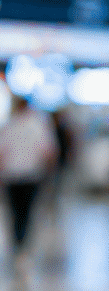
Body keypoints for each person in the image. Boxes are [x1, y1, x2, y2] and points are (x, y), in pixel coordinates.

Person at [0, 95, 59, 268]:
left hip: (12, 176)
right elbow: (49, 151)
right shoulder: (38, 125)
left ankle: (18, 244)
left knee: (14, 212)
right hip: (31, 176)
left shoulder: (10, 125)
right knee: (26, 212)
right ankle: (22, 246)